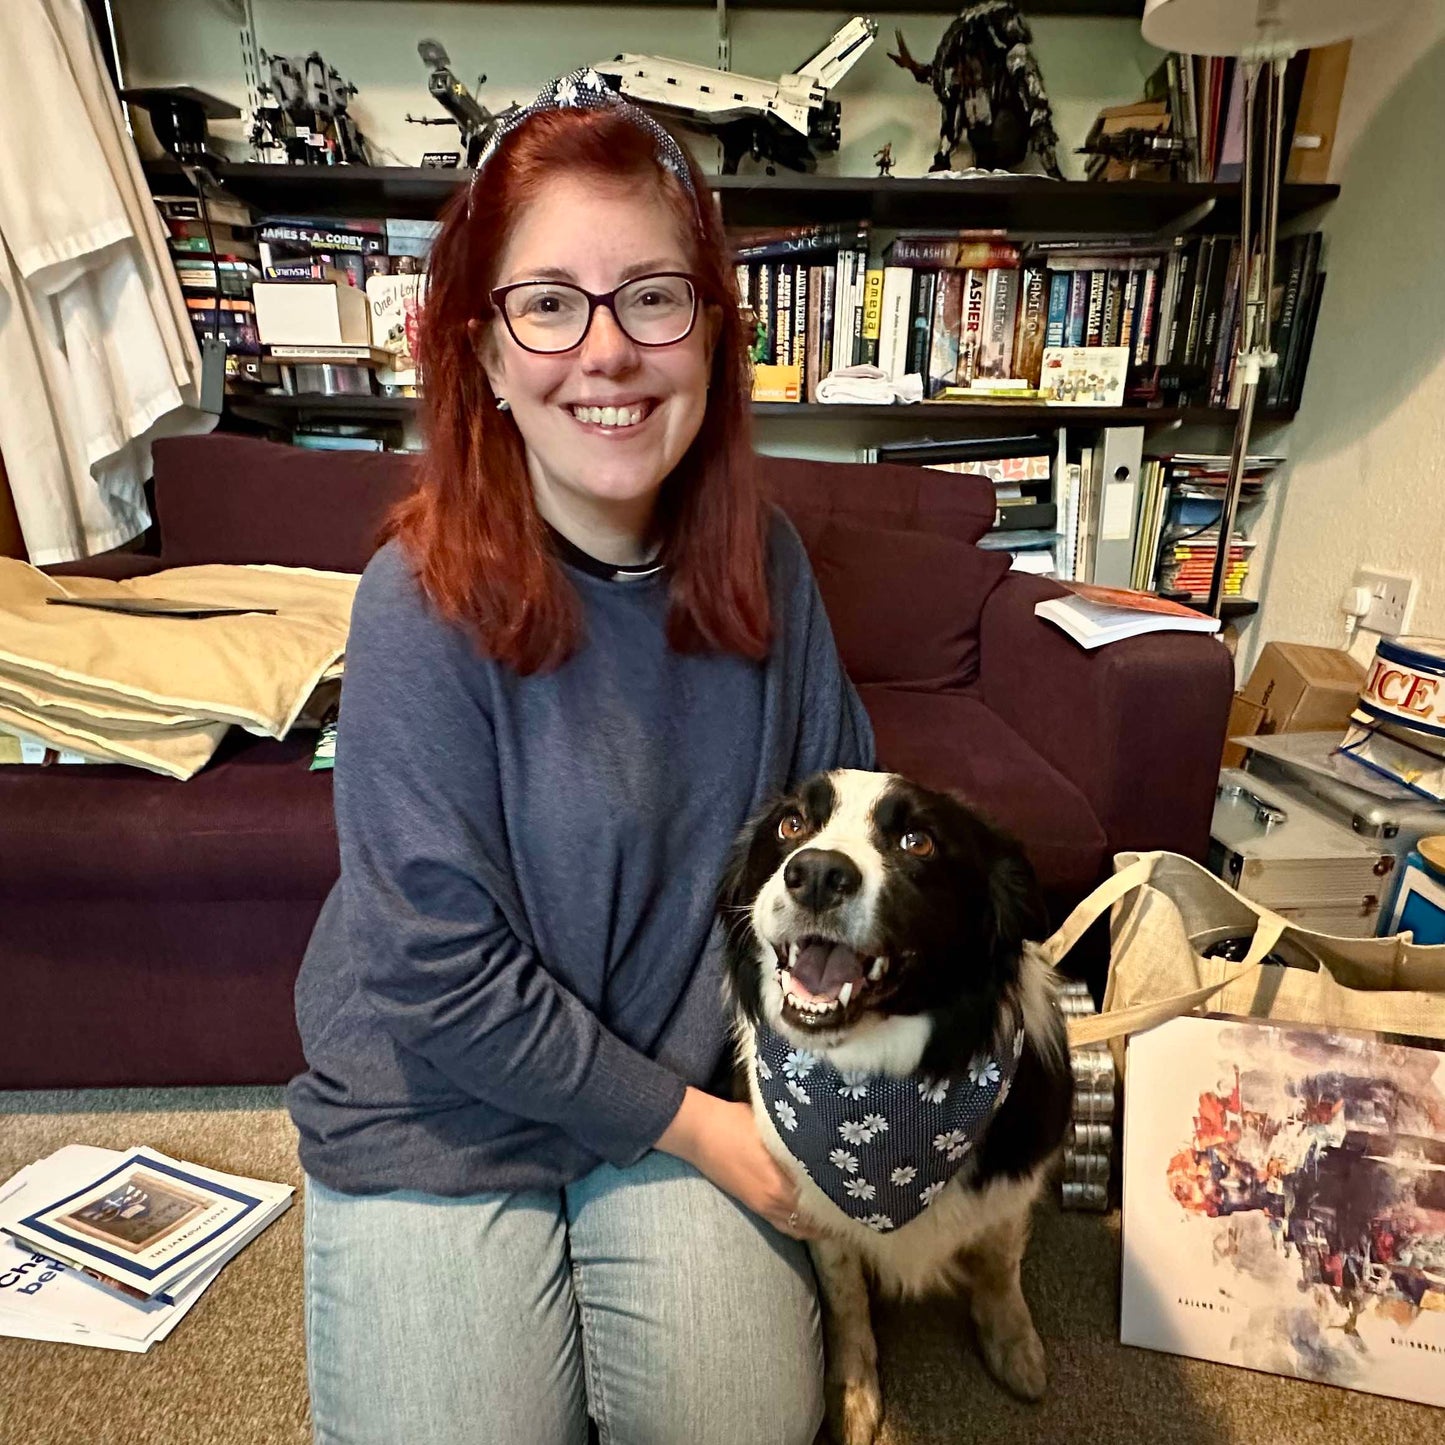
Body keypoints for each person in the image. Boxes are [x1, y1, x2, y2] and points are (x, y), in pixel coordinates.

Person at [286, 69, 874, 1445]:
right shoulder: (412, 596)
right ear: (484, 351)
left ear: (712, 336)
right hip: (438, 1100)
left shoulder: (767, 569)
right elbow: (435, 971)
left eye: (651, 297)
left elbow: (839, 835)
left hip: (683, 1077)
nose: (605, 351)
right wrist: (705, 1131)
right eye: (549, 301)